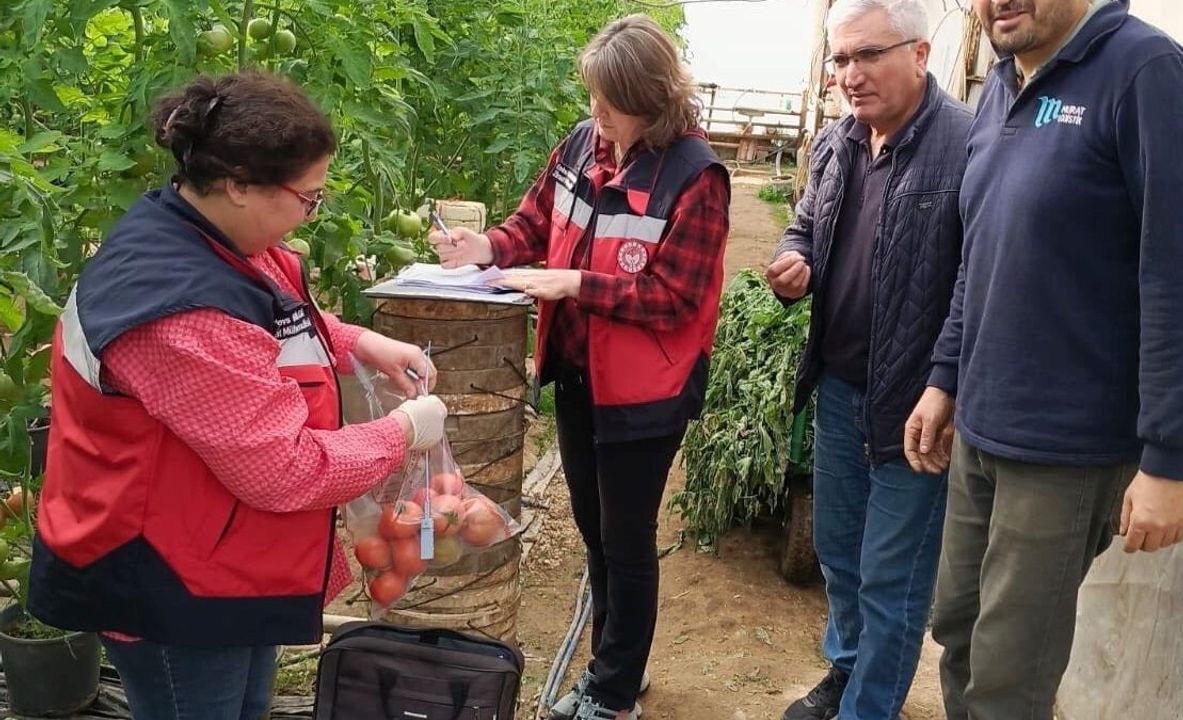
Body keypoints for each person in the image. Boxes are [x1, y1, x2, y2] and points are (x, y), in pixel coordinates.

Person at [29, 70, 450, 720]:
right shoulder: (178, 312)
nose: (314, 210)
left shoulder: (214, 239)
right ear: (240, 185)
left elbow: (270, 320)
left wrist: (357, 342)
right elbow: (285, 470)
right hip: (168, 582)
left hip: (225, 556)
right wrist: (403, 432)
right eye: (308, 198)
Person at [903, 1, 1183, 717]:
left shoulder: (1145, 73)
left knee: (1009, 674)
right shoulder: (1000, 81)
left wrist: (1169, 460)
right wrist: (945, 376)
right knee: (957, 629)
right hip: (981, 431)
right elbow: (983, 252)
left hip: (1067, 449)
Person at [429, 15, 730, 720]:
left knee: (626, 541)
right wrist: (489, 246)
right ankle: (614, 665)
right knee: (595, 530)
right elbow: (534, 221)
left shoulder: (696, 178)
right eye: (592, 97)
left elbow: (675, 297)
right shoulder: (584, 144)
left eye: (608, 100)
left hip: (646, 391)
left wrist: (571, 285)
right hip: (580, 372)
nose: (595, 112)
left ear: (651, 99)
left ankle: (615, 693)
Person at [766, 2, 973, 719]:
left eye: (868, 56)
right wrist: (794, 258)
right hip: (840, 388)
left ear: (919, 55)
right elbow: (805, 224)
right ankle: (847, 672)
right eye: (841, 59)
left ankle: (869, 708)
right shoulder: (838, 143)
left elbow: (978, 285)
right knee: (838, 550)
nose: (851, 76)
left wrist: (946, 386)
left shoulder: (966, 148)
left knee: (894, 576)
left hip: (917, 406)